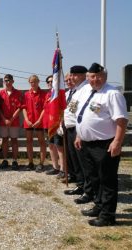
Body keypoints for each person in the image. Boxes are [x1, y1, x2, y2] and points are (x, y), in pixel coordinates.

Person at [75, 63, 128, 227]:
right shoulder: (88, 92)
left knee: (107, 180)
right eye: (92, 76)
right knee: (94, 178)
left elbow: (121, 120)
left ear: (105, 76)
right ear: (88, 77)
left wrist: (117, 142)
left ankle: (107, 215)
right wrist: (79, 135)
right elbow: (83, 115)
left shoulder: (112, 94)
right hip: (87, 144)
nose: (95, 79)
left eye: (99, 76)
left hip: (105, 144)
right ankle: (99, 206)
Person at [63, 66, 94, 205]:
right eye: (71, 76)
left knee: (84, 163)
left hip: (78, 129)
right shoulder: (76, 91)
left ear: (83, 76)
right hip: (70, 128)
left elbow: (90, 109)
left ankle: (89, 191)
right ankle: (81, 185)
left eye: (75, 75)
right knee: (75, 160)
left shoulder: (86, 89)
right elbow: (71, 109)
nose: (71, 78)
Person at [0, 74, 22, 170]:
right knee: (4, 140)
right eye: (5, 80)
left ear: (12, 81)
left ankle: (15, 160)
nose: (7, 82)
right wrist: (4, 119)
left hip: (14, 121)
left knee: (14, 141)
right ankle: (5, 159)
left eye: (9, 80)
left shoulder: (18, 93)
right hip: (3, 121)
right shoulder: (0, 93)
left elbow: (19, 108)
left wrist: (11, 119)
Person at [22, 75, 47, 171]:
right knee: (29, 142)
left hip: (39, 121)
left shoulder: (44, 94)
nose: (33, 83)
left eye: (35, 81)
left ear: (38, 82)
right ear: (29, 83)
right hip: (29, 121)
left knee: (41, 142)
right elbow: (23, 108)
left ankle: (41, 163)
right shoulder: (26, 94)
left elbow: (45, 109)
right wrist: (26, 119)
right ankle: (30, 162)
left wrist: (39, 120)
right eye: (31, 82)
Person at [43, 75, 65, 176]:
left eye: (52, 81)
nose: (50, 83)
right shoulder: (48, 95)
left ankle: (63, 169)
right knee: (51, 146)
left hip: (57, 124)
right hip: (48, 124)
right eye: (48, 82)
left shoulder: (59, 94)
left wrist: (61, 122)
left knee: (59, 147)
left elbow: (63, 109)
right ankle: (55, 167)